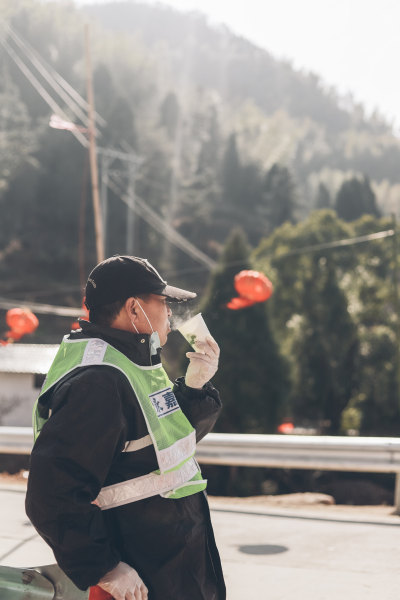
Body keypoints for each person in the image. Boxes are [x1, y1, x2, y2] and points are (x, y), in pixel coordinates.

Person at [25, 255, 226, 600]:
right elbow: (52, 493)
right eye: (162, 302)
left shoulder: (133, 361)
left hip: (172, 562)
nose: (170, 314)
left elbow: (163, 447)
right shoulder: (99, 381)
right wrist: (104, 567)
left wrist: (194, 388)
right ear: (134, 310)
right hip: (143, 571)